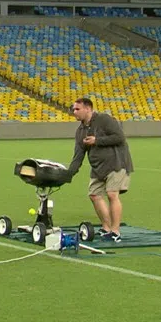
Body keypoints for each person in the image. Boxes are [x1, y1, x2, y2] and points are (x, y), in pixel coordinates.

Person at [66, 97, 134, 243]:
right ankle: (106, 227)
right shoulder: (80, 131)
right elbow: (78, 156)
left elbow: (120, 137)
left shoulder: (104, 119)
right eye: (73, 109)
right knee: (94, 195)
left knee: (111, 194)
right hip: (98, 167)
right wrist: (68, 174)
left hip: (116, 162)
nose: (74, 112)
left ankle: (115, 231)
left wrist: (97, 140)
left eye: (77, 109)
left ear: (88, 109)